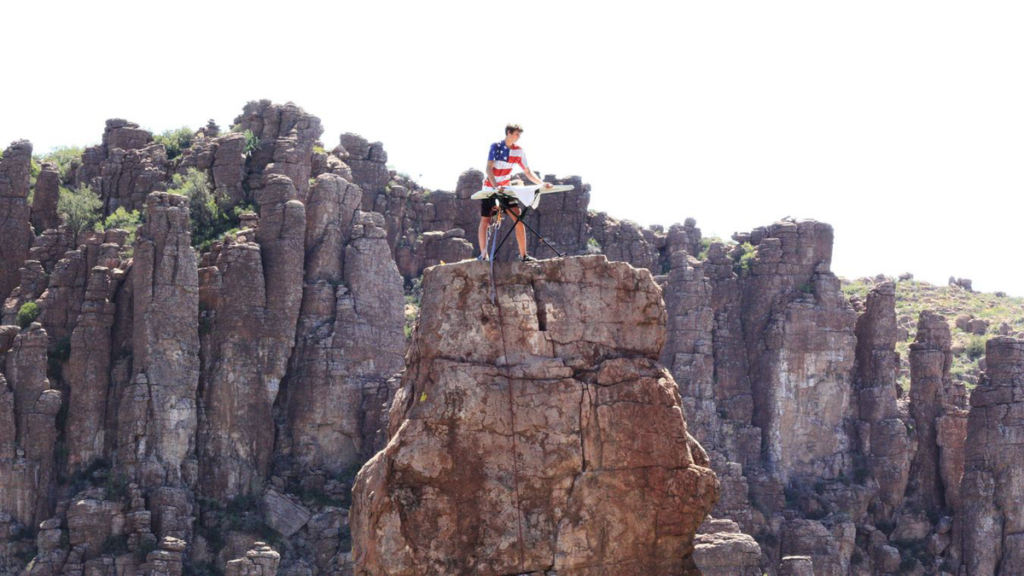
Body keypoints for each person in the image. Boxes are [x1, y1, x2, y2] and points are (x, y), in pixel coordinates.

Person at [478, 124, 552, 262]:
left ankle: (524, 255)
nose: (519, 137)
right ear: (509, 133)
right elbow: (488, 169)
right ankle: (484, 255)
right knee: (486, 220)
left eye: (519, 135)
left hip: (506, 188)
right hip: (490, 187)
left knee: (518, 218)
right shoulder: (496, 146)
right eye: (517, 134)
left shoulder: (519, 151)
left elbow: (527, 172)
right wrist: (495, 186)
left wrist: (541, 184)